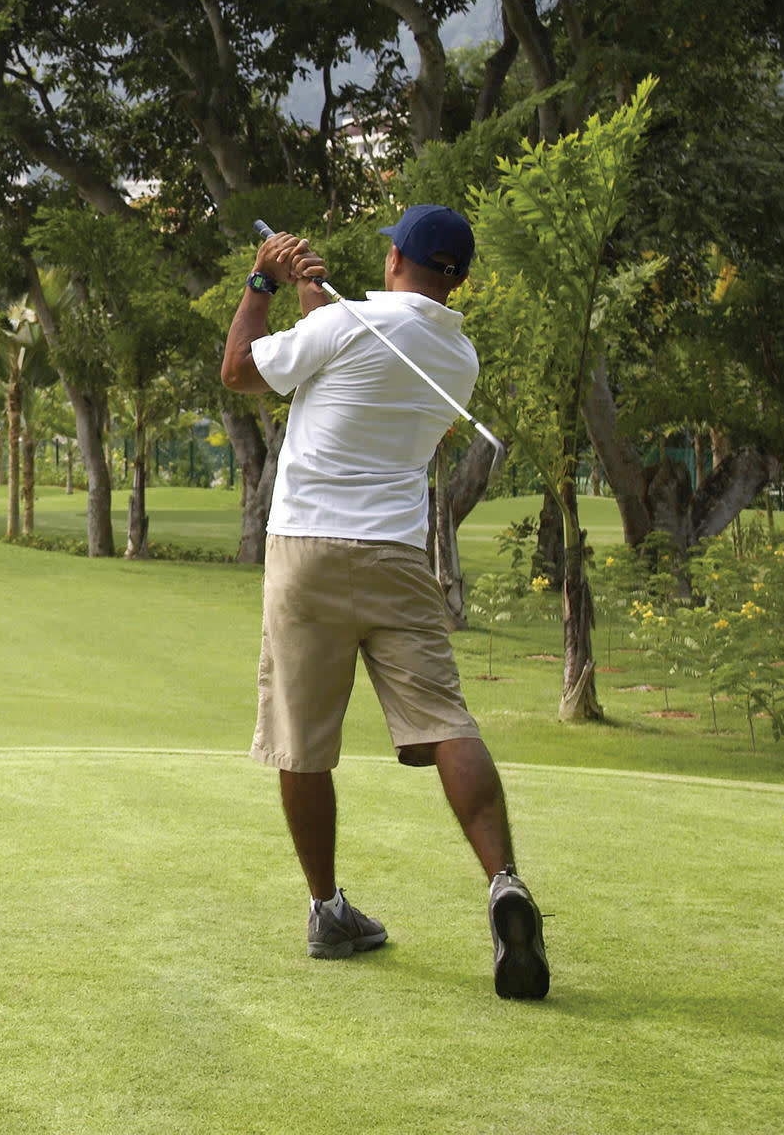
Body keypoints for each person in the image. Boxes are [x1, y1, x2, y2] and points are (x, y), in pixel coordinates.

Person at [219, 204, 550, 1001]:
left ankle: (328, 910)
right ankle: (503, 881)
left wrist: (264, 278)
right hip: (398, 558)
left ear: (396, 256)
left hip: (307, 553)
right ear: (457, 278)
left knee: (303, 742)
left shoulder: (349, 326)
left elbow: (240, 372)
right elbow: (341, 359)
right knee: (446, 723)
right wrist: (318, 297)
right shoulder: (456, 355)